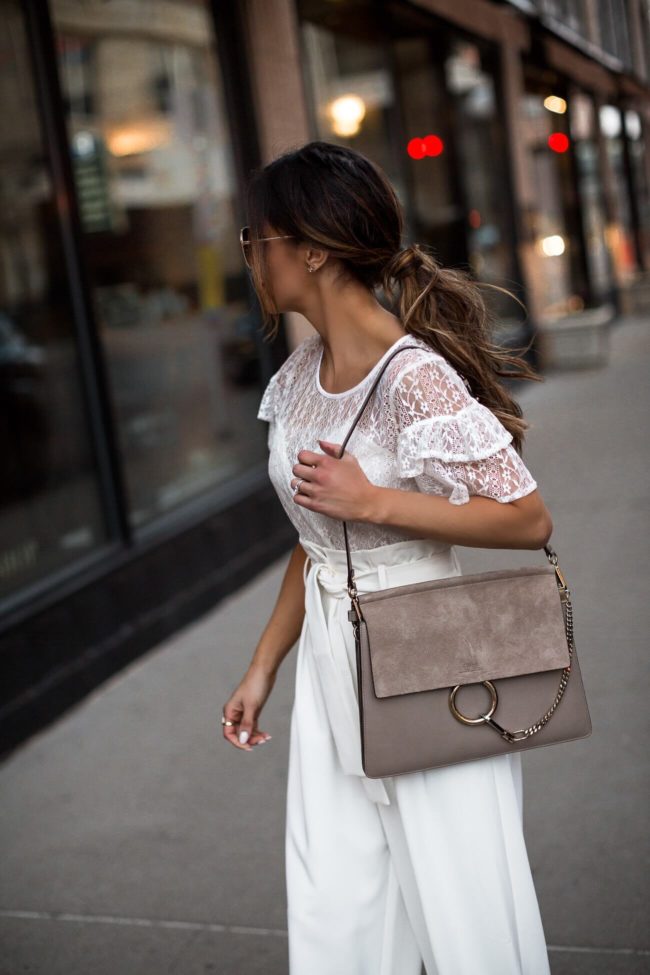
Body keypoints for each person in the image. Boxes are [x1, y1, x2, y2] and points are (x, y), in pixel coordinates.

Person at [222, 140, 554, 975]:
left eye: (255, 237)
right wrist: (265, 666)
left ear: (312, 249)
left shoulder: (416, 377)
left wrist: (374, 500)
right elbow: (315, 539)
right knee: (340, 907)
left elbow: (527, 517)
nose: (250, 256)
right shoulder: (300, 376)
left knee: (461, 906)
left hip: (427, 652)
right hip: (332, 662)